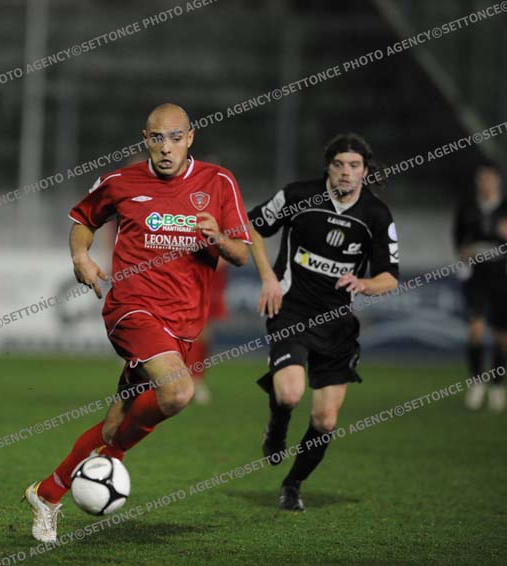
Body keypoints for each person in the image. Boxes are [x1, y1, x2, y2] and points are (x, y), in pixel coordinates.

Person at [24, 103, 252, 542]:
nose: (166, 148)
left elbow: (241, 254)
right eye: (157, 138)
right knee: (179, 391)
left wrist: (218, 238)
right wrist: (80, 256)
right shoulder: (120, 181)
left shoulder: (219, 182)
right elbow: (82, 219)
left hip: (182, 324)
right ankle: (112, 460)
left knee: (114, 427)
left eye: (175, 138)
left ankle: (48, 494)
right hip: (131, 309)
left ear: (190, 138)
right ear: (145, 140)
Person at [247, 133, 399, 511]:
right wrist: (267, 278)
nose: (346, 172)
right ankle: (277, 426)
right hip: (291, 310)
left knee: (325, 420)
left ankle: (293, 485)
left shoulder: (376, 215)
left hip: (337, 324)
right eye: (339, 164)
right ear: (328, 167)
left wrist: (364, 284)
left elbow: (390, 277)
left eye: (354, 166)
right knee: (290, 394)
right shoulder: (298, 195)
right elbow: (252, 226)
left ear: (365, 171)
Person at [454, 163, 507, 412]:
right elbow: (458, 238)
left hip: (503, 273)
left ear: (497, 181)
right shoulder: (466, 207)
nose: (486, 183)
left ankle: (498, 386)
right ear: (477, 181)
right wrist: (464, 250)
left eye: (490, 178)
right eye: (482, 178)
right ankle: (477, 383)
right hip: (476, 273)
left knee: (502, 335)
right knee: (475, 328)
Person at [185, 261, 228, 404]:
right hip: (186, 269)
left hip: (209, 271)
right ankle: (186, 379)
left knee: (203, 330)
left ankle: (196, 380)